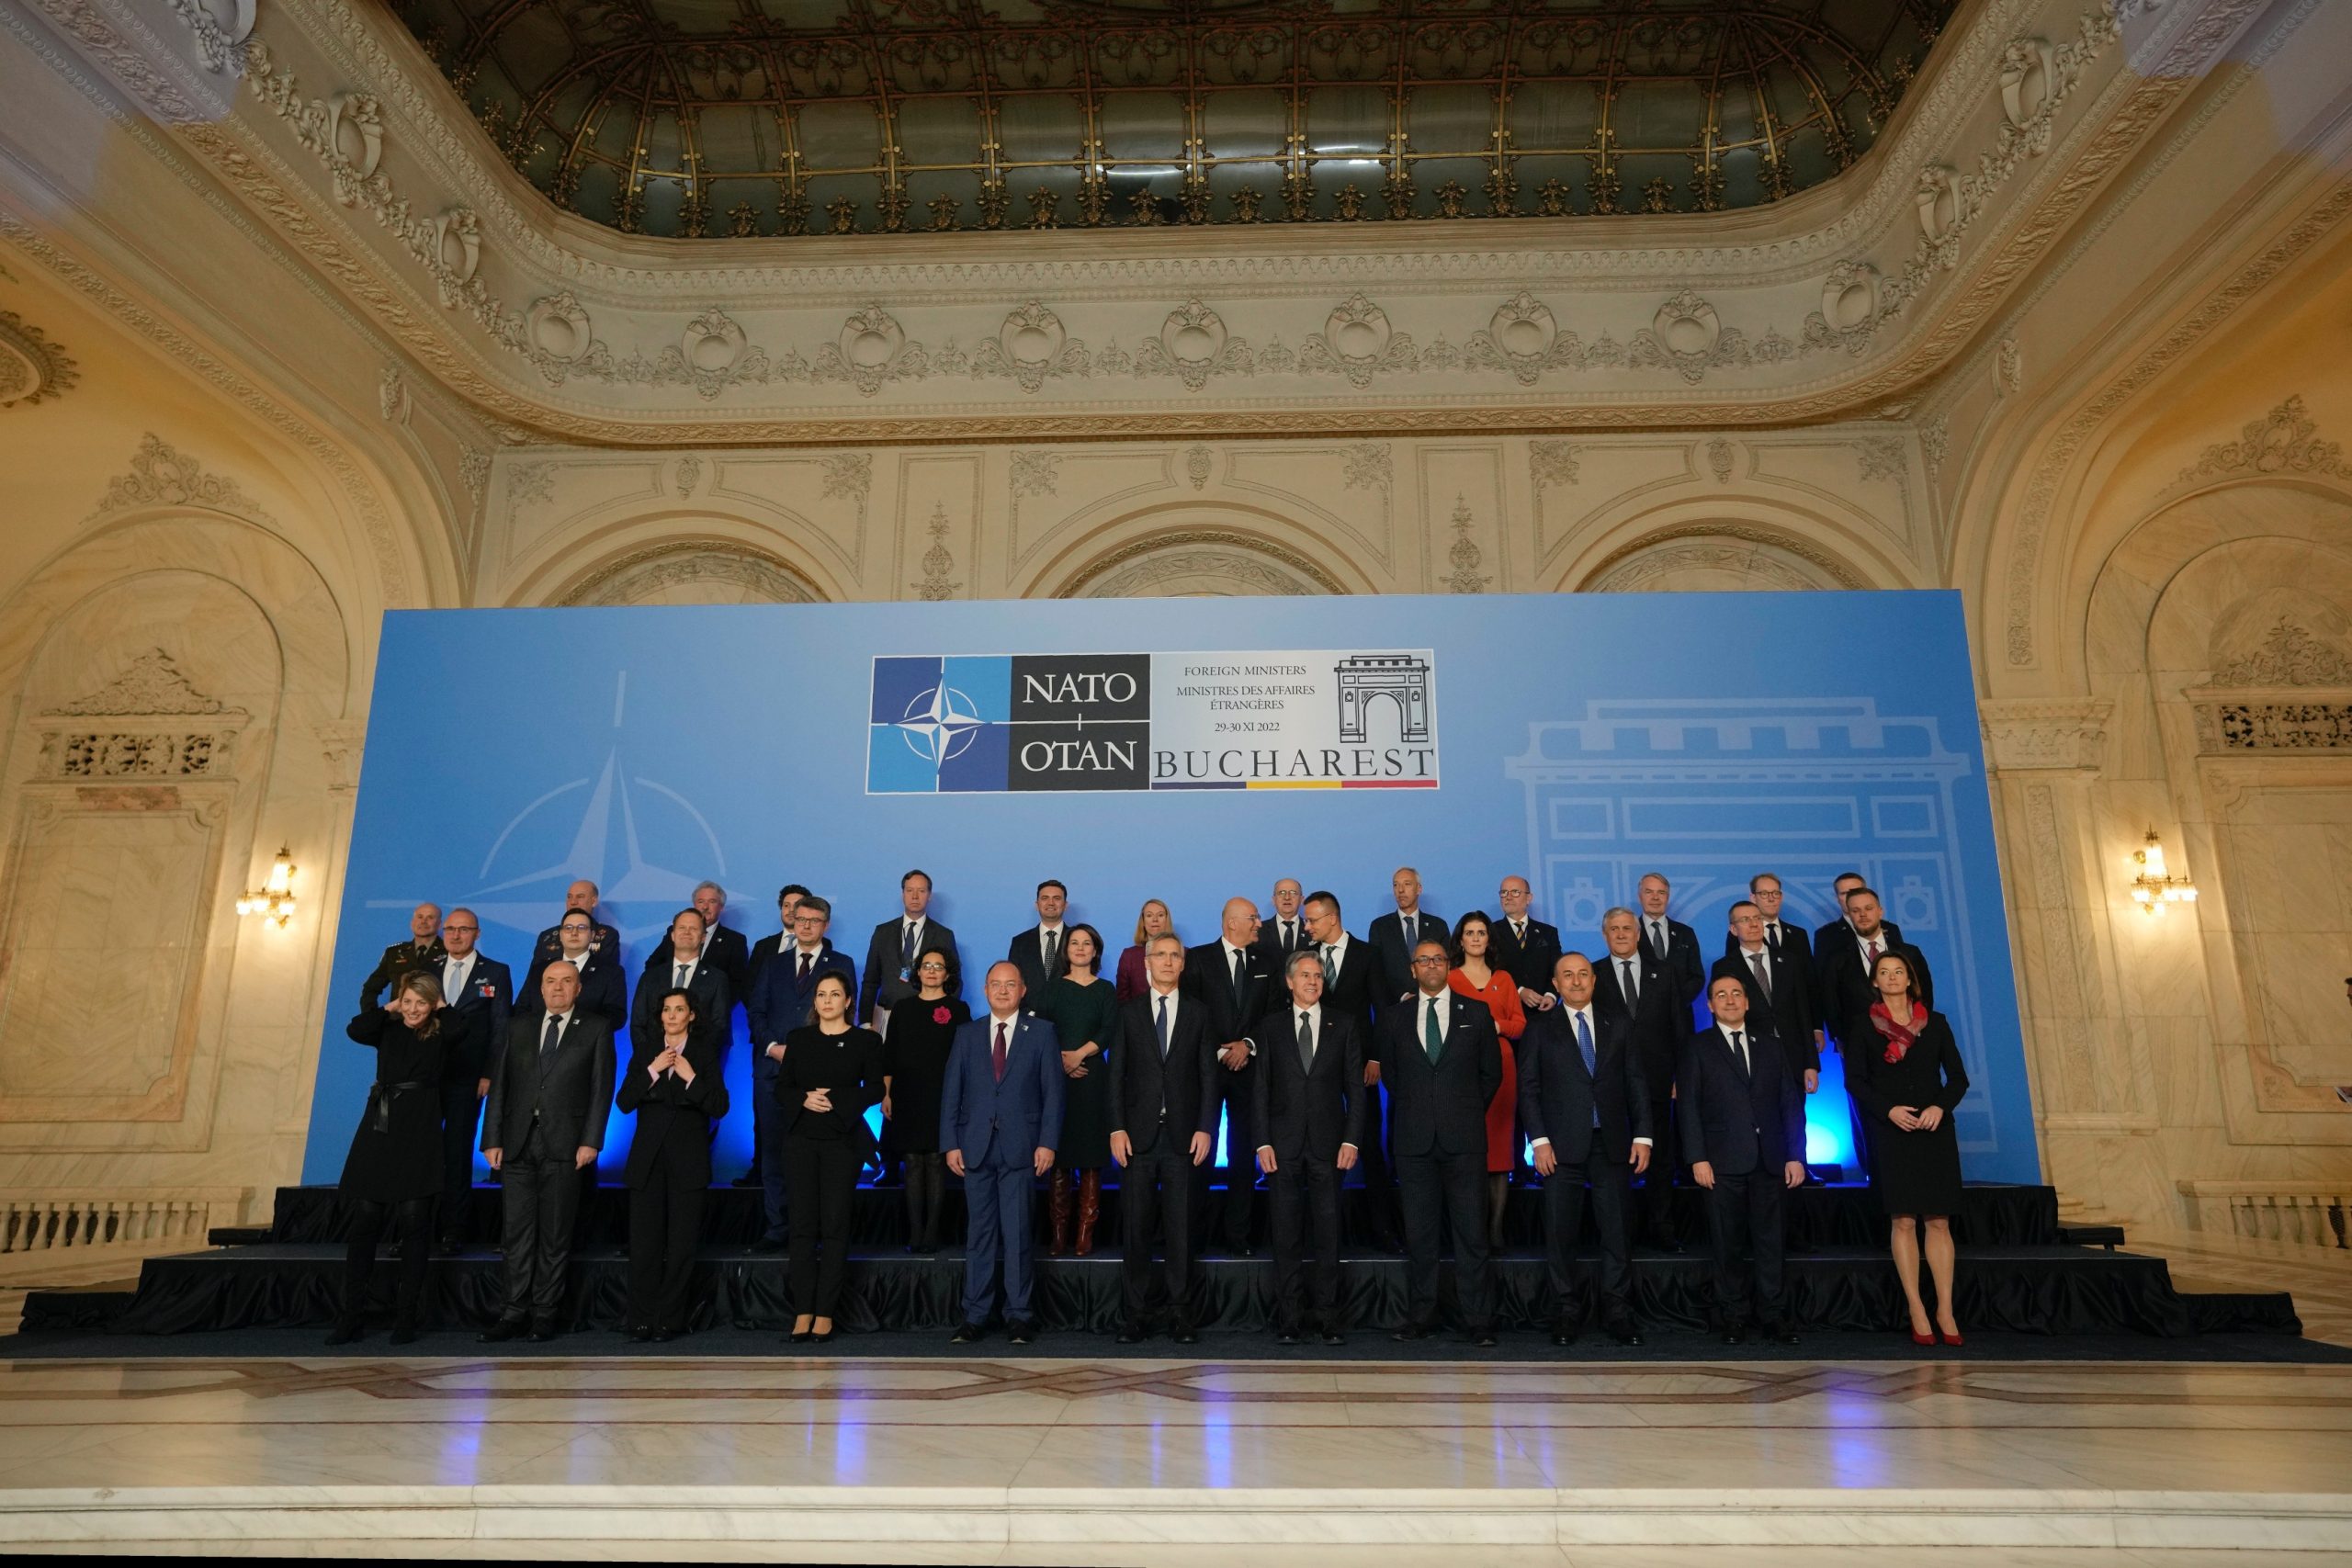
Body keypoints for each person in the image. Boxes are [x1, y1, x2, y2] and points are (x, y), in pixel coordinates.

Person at [478, 961, 616, 1344]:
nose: (558, 988)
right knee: (516, 1234)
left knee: (555, 1235)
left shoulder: (596, 1028)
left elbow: (601, 1088)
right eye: (551, 982)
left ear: (578, 989)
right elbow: (500, 1086)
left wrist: (591, 1140)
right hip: (517, 1142)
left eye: (566, 981)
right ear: (540, 989)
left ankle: (544, 1313)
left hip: (566, 1145)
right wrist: (491, 1138)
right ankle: (513, 1312)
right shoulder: (517, 1027)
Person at [1519, 953, 1650, 1346]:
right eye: (1567, 976)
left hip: (1613, 1144)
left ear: (1594, 980)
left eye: (1582, 974)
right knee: (1561, 1234)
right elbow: (1529, 1089)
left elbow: (1636, 1081)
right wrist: (1539, 1141)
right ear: (1555, 984)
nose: (1576, 982)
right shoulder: (1539, 1028)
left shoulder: (1618, 1023)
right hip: (1559, 1148)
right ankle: (1566, 1311)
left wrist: (1643, 1136)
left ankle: (1618, 1312)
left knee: (1617, 1233)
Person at [1382, 939, 1503, 1348]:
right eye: (1423, 960)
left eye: (1438, 959)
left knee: (1472, 1234)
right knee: (1420, 1235)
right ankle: (1422, 1317)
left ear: (1448, 966)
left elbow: (1491, 1074)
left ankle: (1478, 1321)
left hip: (1464, 1141)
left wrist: (1461, 1110)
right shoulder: (1394, 1017)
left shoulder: (1477, 1012)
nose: (1431, 965)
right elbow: (1392, 1076)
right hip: (1414, 1142)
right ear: (1413, 969)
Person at [1848, 951, 1970, 1347]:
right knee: (1902, 1221)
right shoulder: (1863, 1026)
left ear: (1910, 979)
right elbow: (1856, 1081)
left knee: (1938, 1221)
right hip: (1892, 1131)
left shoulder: (1935, 1023)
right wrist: (1888, 1110)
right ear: (1875, 982)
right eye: (1884, 972)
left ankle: (1945, 1309)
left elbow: (1958, 1078)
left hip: (1934, 1130)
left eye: (1899, 971)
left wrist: (1939, 1107)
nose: (1892, 977)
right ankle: (1916, 1308)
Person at [1679, 974, 1808, 1346]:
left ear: (1748, 1002)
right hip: (1720, 1163)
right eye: (1721, 995)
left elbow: (1790, 1104)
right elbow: (1688, 1107)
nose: (1730, 1000)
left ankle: (1774, 1316)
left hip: (1770, 1160)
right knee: (1727, 1244)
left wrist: (1795, 1155)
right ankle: (1733, 1316)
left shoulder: (1771, 1045)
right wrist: (1697, 1158)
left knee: (1771, 1244)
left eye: (1737, 993)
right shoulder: (1697, 1047)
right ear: (1710, 1005)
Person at [944, 963, 1064, 1345]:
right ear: (984, 989)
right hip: (974, 1147)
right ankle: (975, 1315)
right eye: (995, 984)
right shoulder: (967, 1033)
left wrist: (1047, 1142)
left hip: (1022, 1147)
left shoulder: (1042, 1032)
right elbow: (952, 1091)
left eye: (1010, 984)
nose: (1002, 990)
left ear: (1022, 990)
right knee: (979, 1235)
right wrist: (950, 1143)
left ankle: (1019, 1315)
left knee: (1017, 1234)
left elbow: (1053, 1093)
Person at [1107, 932, 1217, 1343]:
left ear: (1183, 964)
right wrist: (1116, 1127)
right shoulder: (1128, 1013)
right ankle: (1136, 1314)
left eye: (1175, 956)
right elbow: (1115, 1076)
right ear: (1147, 962)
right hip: (1137, 1139)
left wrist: (1207, 1127)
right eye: (1161, 955)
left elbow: (1209, 1077)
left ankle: (1180, 1313)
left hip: (1184, 1138)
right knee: (1136, 1229)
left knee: (1180, 1229)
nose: (1168, 962)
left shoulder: (1200, 1013)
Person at [331, 972, 450, 1346]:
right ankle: (352, 1316)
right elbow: (356, 1029)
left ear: (433, 1005)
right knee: (365, 1221)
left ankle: (406, 1317)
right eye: (408, 1002)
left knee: (415, 1222)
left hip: (419, 1131)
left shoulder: (441, 1033)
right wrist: (391, 1007)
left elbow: (462, 1029)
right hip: (379, 1131)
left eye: (421, 1003)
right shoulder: (388, 1028)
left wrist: (440, 1007)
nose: (413, 1010)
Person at [1253, 949, 1364, 1346]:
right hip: (1281, 1146)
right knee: (1285, 1235)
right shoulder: (1270, 1026)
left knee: (1328, 1233)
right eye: (1305, 975)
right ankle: (1290, 1318)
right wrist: (1262, 1141)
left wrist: (1351, 1138)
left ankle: (1328, 1317)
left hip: (1329, 1145)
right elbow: (1260, 1088)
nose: (1313, 981)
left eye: (1318, 975)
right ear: (1289, 982)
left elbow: (1356, 1089)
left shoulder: (1344, 1024)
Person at [615, 986, 728, 1341]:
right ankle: (641, 1319)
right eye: (667, 1009)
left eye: (679, 1009)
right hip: (647, 1162)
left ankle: (669, 1319)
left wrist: (691, 1077)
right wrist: (652, 1070)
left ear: (691, 1015)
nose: (672, 1015)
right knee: (644, 1246)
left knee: (681, 1247)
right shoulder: (646, 1050)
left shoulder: (704, 1053)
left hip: (688, 1162)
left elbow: (720, 1106)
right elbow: (624, 1102)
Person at [780, 972, 883, 1344]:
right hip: (801, 1141)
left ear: (848, 1000)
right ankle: (802, 1311)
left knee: (835, 1225)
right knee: (802, 1226)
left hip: (842, 1141)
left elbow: (875, 1088)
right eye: (821, 994)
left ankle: (825, 1312)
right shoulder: (798, 1038)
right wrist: (804, 1098)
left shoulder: (865, 1041)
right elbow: (782, 1088)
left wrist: (836, 1099)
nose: (827, 1000)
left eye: (835, 994)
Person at [745, 897, 852, 1249]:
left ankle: (815, 1229)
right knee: (774, 1152)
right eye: (800, 919)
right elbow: (756, 1012)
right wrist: (773, 1047)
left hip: (820, 1078)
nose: (805, 925)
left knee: (817, 1158)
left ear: (826, 925)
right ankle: (778, 1228)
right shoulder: (772, 962)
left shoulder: (841, 964)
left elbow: (844, 1020)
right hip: (773, 1071)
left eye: (814, 920)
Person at [1303, 888, 1398, 1251]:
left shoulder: (1367, 954)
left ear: (1332, 918)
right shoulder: (1306, 957)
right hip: (1316, 1067)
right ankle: (1323, 1235)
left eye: (1312, 920)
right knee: (1319, 1147)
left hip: (1360, 1065)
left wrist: (1376, 1058)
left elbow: (1383, 1010)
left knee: (1369, 1145)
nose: (1307, 926)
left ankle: (1382, 1231)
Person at [1182, 897, 1275, 1256]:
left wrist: (1247, 1045)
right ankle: (1194, 1236)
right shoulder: (1198, 959)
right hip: (1206, 1070)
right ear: (1232, 922)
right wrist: (1220, 1051)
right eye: (1253, 917)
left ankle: (1239, 1236)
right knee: (1200, 1153)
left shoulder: (1266, 962)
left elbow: (1272, 1015)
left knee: (1242, 1155)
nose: (1259, 923)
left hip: (1250, 1072)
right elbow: (1190, 1012)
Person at [1592, 907, 1688, 1251]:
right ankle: (1622, 1233)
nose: (1621, 934)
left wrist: (1681, 1076)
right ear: (1605, 935)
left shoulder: (1666, 972)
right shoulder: (1591, 973)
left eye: (1627, 928)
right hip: (1611, 1087)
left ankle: (1662, 1229)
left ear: (1638, 933)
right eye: (1614, 929)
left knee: (1660, 1160)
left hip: (1659, 1082)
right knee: (1616, 1161)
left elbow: (1680, 1028)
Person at [1035, 923, 1117, 1256]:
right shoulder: (1052, 989)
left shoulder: (1105, 989)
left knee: (1091, 1158)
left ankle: (1085, 1233)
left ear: (1095, 951)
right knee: (1060, 1156)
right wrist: (1061, 1060)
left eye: (1087, 943)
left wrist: (1079, 1055)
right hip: (1056, 1078)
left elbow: (1109, 1029)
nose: (1080, 948)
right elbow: (1041, 1030)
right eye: (1074, 943)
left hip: (1093, 1077)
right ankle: (1058, 1234)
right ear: (1066, 950)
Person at [432, 908, 511, 1250]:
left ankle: (453, 1228)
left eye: (464, 929)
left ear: (477, 933)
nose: (456, 935)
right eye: (450, 929)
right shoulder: (428, 970)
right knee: (422, 1152)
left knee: (457, 1152)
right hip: (427, 1076)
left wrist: (489, 1073)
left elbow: (500, 1029)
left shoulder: (495, 971)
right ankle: (417, 1228)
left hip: (469, 1078)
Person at [1447, 911, 1526, 1248]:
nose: (1476, 938)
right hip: (1462, 1070)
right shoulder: (1449, 978)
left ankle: (1496, 1231)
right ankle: (1472, 1231)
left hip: (1503, 1068)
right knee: (1468, 1151)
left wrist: (1496, 1026)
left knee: (1500, 1153)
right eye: (1470, 933)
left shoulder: (1504, 979)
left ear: (1489, 939)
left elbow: (1519, 1025)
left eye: (1482, 933)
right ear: (1461, 940)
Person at [882, 950, 966, 1253]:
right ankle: (915, 1232)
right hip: (906, 1094)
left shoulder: (958, 1009)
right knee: (912, 1162)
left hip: (943, 1095)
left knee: (935, 1160)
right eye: (926, 966)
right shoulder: (903, 1008)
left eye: (938, 966)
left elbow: (965, 1059)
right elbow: (890, 1054)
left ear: (947, 974)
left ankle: (932, 1233)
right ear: (917, 972)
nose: (931, 970)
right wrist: (886, 1093)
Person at [739, 884, 810, 1189]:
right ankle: (760, 1168)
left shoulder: (824, 948)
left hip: (805, 1046)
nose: (792, 911)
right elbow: (751, 993)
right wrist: (768, 1038)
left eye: (798, 905)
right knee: (763, 1113)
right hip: (766, 1042)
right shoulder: (764, 947)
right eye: (787, 905)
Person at [1710, 899, 1819, 1090]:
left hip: (1792, 1059)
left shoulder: (1789, 961)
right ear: (1733, 929)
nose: (1754, 924)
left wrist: (1811, 1063)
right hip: (1750, 1058)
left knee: (1794, 1110)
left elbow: (1803, 1012)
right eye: (1745, 920)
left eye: (1757, 918)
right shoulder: (1724, 967)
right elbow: (1721, 1018)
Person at [1729, 873, 1820, 1061]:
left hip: (1793, 1034)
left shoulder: (1798, 935)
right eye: (1764, 894)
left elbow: (1809, 984)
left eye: (1775, 893)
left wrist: (1816, 1026)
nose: (1771, 898)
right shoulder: (1737, 936)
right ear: (1753, 897)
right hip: (1755, 1035)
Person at [858, 868, 960, 1025]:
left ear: (929, 896)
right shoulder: (882, 932)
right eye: (910, 890)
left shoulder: (943, 935)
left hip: (928, 1016)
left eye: (921, 891)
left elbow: (954, 980)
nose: (915, 896)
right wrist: (865, 1023)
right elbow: (870, 981)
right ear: (902, 894)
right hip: (887, 1014)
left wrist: (943, 1017)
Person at [520, 909, 627, 1029]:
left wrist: (575, 1028)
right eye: (568, 928)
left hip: (586, 1038)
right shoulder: (539, 970)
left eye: (581, 928)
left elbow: (616, 1016)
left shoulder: (611, 972)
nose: (574, 933)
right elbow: (521, 1008)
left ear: (592, 935)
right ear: (561, 935)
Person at [646, 881, 750, 998]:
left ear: (721, 907)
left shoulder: (735, 941)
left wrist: (717, 1004)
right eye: (701, 901)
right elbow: (653, 966)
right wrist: (664, 999)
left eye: (712, 901)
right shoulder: (677, 932)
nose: (705, 907)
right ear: (694, 905)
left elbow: (737, 983)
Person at [1370, 865, 1449, 1010]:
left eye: (1407, 884)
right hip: (1395, 1008)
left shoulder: (1438, 926)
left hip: (1435, 1005)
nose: (1400, 890)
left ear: (1419, 889)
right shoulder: (1380, 927)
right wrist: (1403, 996)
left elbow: (1446, 967)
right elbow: (1376, 973)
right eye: (1396, 885)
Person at [1634, 873, 1704, 1018]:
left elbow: (1697, 977)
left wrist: (1676, 1003)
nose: (1655, 897)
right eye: (1649, 892)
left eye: (1661, 892)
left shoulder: (1685, 933)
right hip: (1641, 1018)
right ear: (1639, 897)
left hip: (1681, 1017)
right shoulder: (1630, 933)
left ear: (1668, 897)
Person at [1491, 876, 1562, 1013]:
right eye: (1504, 892)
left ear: (1529, 898)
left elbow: (1557, 969)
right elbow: (1490, 970)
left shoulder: (1548, 932)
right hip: (1506, 1011)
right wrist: (1519, 991)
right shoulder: (1490, 932)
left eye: (1515, 892)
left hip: (1543, 1012)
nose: (1508, 897)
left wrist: (1551, 995)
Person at [358, 902, 444, 1010]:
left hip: (436, 1018)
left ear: (439, 924)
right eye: (420, 917)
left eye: (430, 917)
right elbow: (370, 988)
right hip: (399, 1018)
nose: (423, 921)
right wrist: (373, 1016)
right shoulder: (394, 953)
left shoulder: (449, 952)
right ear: (412, 922)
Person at [532, 879, 620, 972]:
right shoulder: (547, 936)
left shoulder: (607, 936)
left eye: (580, 897)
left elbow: (608, 975)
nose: (573, 902)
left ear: (594, 901)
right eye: (569, 897)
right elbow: (534, 977)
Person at [1006, 879, 1071, 995]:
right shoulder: (1020, 943)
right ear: (1037, 905)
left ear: (1065, 905)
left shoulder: (1077, 940)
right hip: (1028, 1006)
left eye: (1056, 898)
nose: (1051, 903)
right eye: (1045, 898)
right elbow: (1013, 981)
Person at [1114, 898, 1174, 1005]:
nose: (1155, 919)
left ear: (1167, 920)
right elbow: (1122, 1000)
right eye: (1149, 915)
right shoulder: (1129, 956)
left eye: (1160, 915)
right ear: (1143, 921)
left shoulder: (1185, 954)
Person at [1256, 877, 1308, 965]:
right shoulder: (1259, 930)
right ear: (1274, 900)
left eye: (1293, 893)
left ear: (1301, 900)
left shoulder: (1312, 929)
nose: (1287, 897)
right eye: (1281, 893)